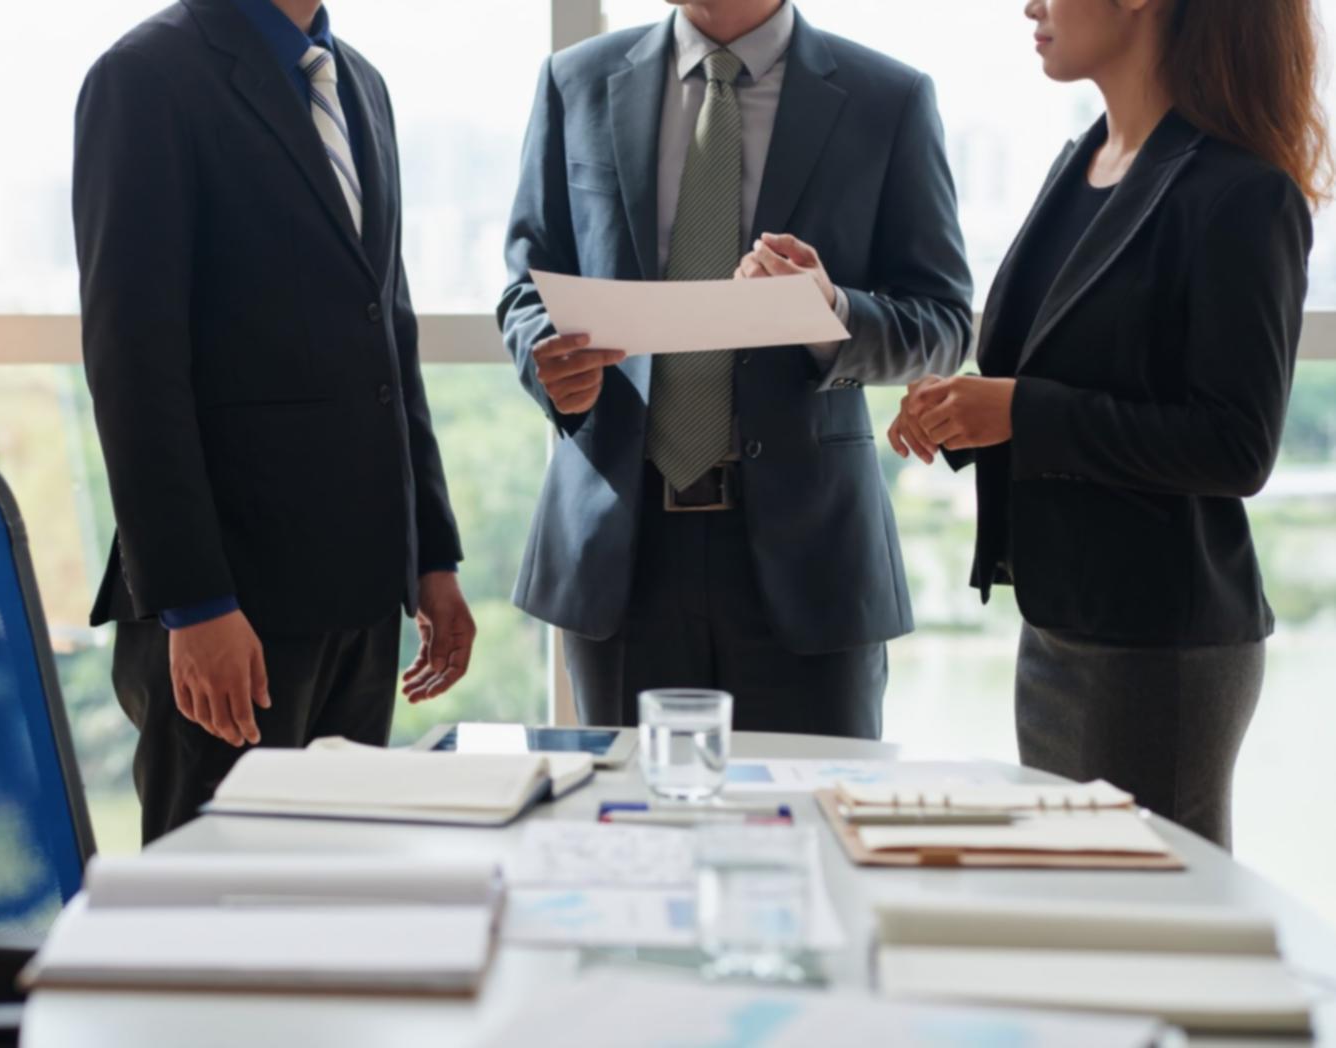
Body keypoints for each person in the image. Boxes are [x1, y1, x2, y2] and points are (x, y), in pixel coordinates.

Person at [889, 0, 1327, 849]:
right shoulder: (1081, 164)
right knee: (1077, 919)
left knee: (1149, 941)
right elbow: (1052, 375)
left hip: (1158, 644)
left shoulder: (1243, 194)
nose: (1030, 7)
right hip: (1058, 624)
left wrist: (1017, 410)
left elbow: (1235, 446)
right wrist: (965, 408)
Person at [498, 0, 973, 736]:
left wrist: (834, 311)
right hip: (620, 552)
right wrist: (543, 359)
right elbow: (527, 283)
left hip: (810, 553)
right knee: (631, 835)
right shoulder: (575, 80)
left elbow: (943, 321)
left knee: (808, 832)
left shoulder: (890, 98)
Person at [73, 0, 475, 843]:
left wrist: (431, 555)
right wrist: (193, 603)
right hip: (232, 606)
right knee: (212, 917)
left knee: (332, 897)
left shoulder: (360, 83)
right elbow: (133, 369)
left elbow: (387, 339)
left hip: (364, 595)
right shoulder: (145, 77)